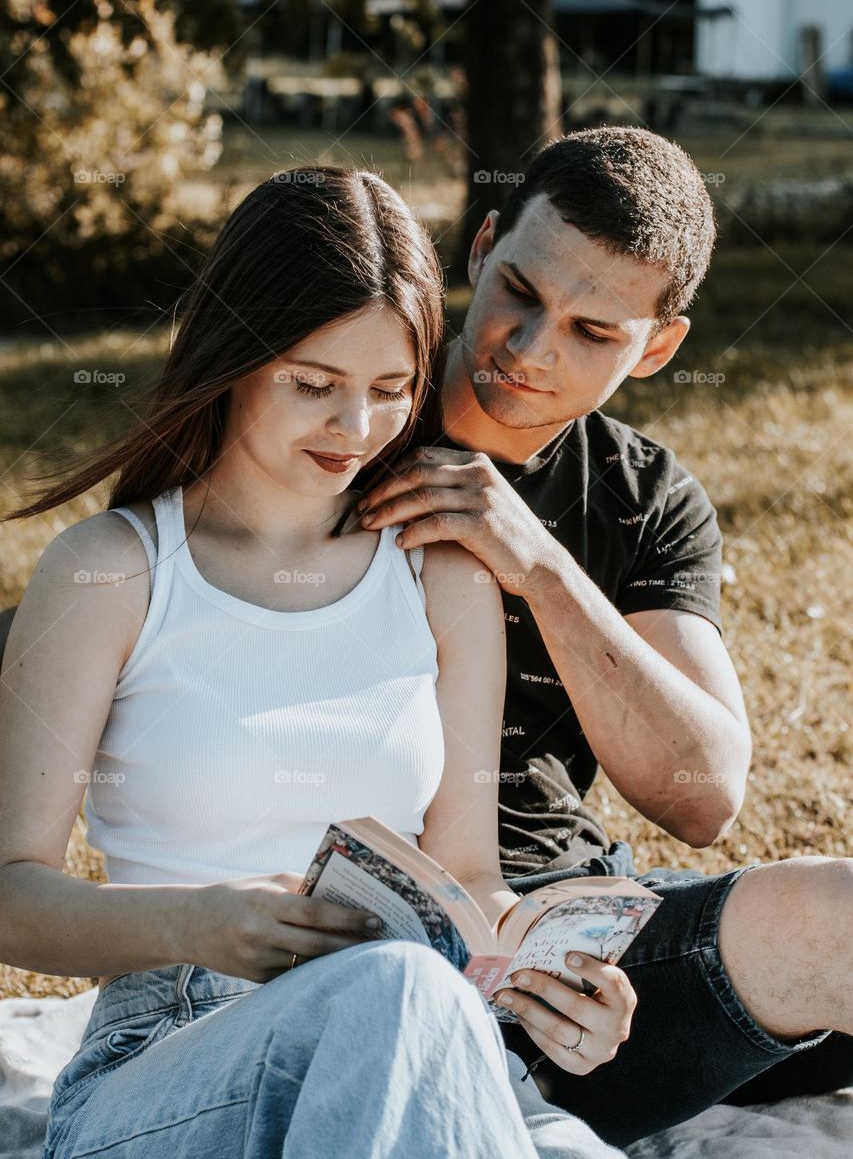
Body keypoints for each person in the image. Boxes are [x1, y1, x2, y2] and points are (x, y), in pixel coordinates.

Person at [0, 169, 630, 1159]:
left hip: (436, 1042)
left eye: (390, 390)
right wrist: (197, 924)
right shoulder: (110, 570)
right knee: (395, 989)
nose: (357, 428)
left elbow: (466, 874)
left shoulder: (441, 575)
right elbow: (13, 893)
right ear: (233, 355)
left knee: (426, 1012)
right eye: (313, 383)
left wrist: (546, 982)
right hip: (174, 1054)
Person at [346, 128, 853, 1147]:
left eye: (591, 330)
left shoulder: (643, 498)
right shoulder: (346, 420)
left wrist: (534, 561)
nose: (530, 350)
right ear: (482, 245)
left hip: (586, 934)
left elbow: (704, 794)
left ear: (658, 347)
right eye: (520, 293)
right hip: (390, 938)